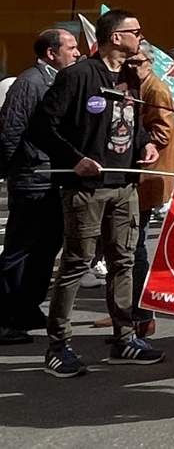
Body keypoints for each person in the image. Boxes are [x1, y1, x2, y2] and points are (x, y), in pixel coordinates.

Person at [31, 9, 165, 376]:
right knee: (76, 264)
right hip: (85, 189)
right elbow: (42, 127)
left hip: (124, 186)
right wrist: (74, 160)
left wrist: (145, 145)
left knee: (122, 261)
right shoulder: (77, 76)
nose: (141, 37)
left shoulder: (130, 77)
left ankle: (125, 337)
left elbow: (126, 124)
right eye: (135, 31)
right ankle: (58, 346)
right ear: (115, 37)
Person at [0, 28, 80, 344]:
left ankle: (27, 309)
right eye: (71, 48)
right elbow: (10, 131)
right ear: (51, 52)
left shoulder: (60, 81)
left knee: (46, 250)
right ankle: (4, 317)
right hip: (32, 178)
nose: (76, 53)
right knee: (20, 251)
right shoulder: (29, 83)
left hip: (54, 178)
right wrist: (12, 170)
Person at [125, 48, 174, 339]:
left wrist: (133, 142)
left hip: (148, 177)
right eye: (129, 61)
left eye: (138, 62)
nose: (132, 66)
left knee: (135, 247)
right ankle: (129, 312)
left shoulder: (155, 89)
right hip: (142, 177)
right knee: (130, 246)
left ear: (149, 63)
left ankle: (142, 314)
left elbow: (163, 132)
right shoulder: (136, 87)